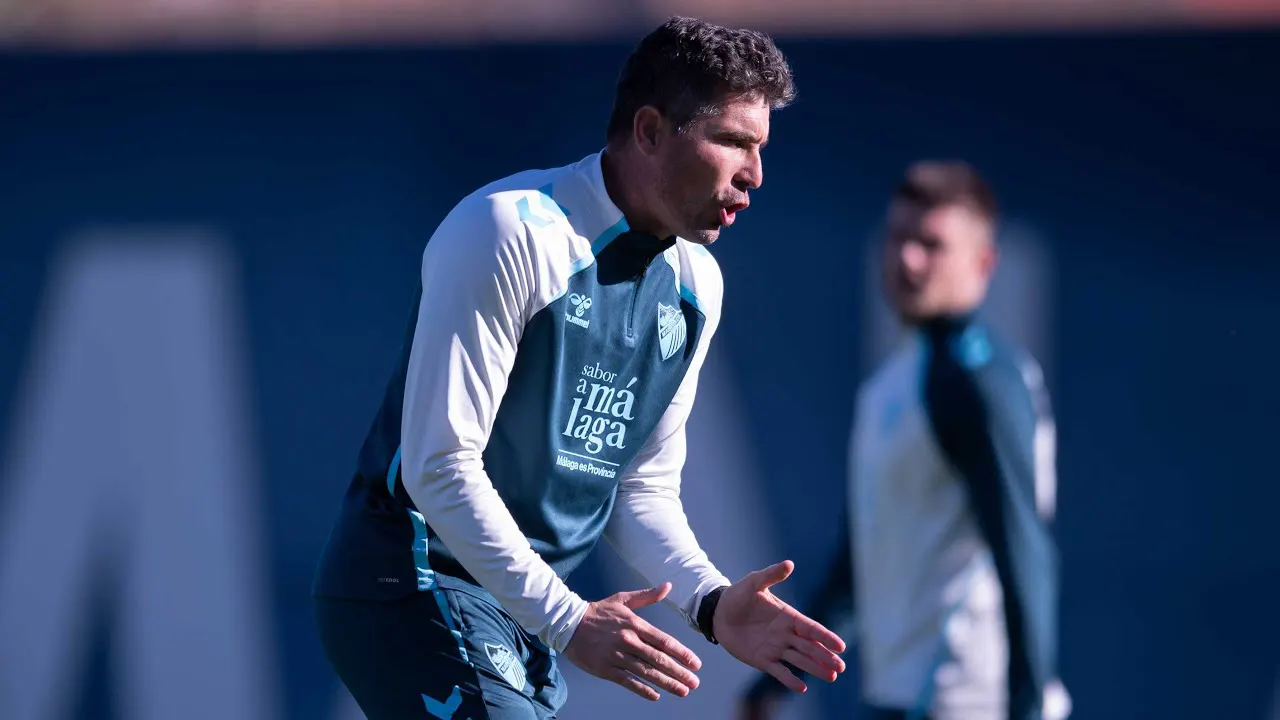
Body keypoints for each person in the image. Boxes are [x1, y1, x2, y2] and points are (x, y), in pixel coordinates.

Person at [312, 16, 847, 720]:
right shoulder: (508, 230)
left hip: (519, 609)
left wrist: (710, 603)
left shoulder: (698, 287)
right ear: (651, 131)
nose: (755, 174)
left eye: (761, 147)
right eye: (732, 142)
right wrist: (568, 620)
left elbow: (639, 489)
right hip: (412, 580)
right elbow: (438, 465)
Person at [739, 162, 1070, 720]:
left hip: (972, 703)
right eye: (898, 238)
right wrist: (776, 679)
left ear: (983, 263)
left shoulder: (979, 383)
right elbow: (856, 569)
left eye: (932, 244)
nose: (908, 259)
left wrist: (1028, 706)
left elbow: (1025, 553)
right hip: (898, 701)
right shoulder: (891, 385)